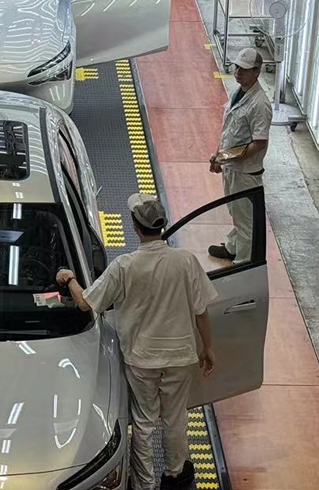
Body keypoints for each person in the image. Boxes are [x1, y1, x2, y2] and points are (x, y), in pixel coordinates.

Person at [56, 194, 216, 490]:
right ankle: (175, 474)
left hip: (142, 359)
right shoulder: (185, 261)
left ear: (135, 227)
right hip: (181, 356)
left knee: (143, 421)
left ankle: (143, 483)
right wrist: (209, 348)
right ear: (163, 225)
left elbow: (85, 304)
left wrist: (68, 278)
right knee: (176, 417)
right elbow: (202, 311)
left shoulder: (124, 266)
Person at [209, 47, 272, 263]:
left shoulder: (260, 104)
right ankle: (233, 247)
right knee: (235, 211)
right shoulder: (238, 93)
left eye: (243, 70)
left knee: (246, 219)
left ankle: (243, 263)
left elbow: (260, 142)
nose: (237, 72)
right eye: (236, 68)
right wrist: (220, 156)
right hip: (232, 167)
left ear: (256, 72)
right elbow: (229, 128)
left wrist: (231, 157)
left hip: (245, 173)